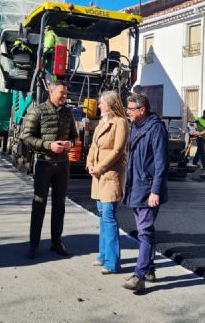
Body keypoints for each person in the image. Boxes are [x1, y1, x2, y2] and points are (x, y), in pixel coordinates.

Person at [21, 81, 78, 259]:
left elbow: (74, 137)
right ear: (51, 92)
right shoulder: (37, 111)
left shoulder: (68, 112)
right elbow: (26, 137)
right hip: (44, 164)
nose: (64, 96)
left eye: (65, 93)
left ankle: (56, 242)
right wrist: (48, 145)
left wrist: (71, 144)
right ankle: (34, 245)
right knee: (39, 205)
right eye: (61, 93)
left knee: (59, 205)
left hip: (62, 165)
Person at [122, 93, 169, 292]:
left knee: (144, 230)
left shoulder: (156, 129)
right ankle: (149, 270)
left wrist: (155, 191)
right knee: (145, 230)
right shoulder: (136, 126)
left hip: (148, 189)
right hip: (136, 187)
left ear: (142, 110)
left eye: (131, 109)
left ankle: (139, 276)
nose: (127, 112)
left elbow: (161, 163)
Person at [87, 91, 129, 275]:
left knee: (108, 217)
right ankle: (103, 255)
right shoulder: (101, 123)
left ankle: (113, 262)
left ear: (111, 104)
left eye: (102, 102)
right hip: (98, 176)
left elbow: (118, 150)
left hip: (110, 175)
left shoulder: (120, 122)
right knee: (102, 216)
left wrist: (100, 167)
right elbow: (93, 146)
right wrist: (89, 164)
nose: (99, 105)